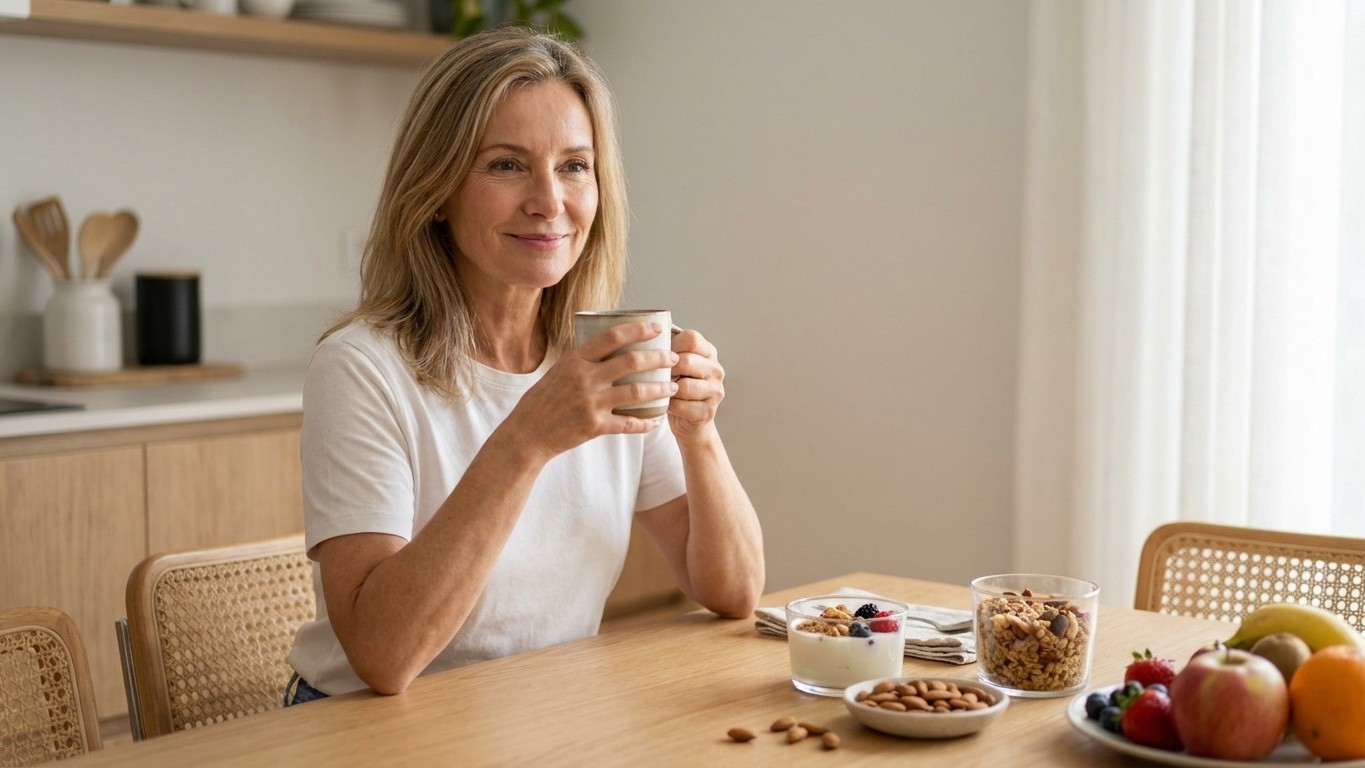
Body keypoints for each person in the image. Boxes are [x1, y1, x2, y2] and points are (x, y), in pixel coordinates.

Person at [283, 26, 765, 703]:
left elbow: (734, 591)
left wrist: (698, 433)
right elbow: (382, 658)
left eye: (574, 166)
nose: (549, 201)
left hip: (538, 711)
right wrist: (528, 438)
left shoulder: (606, 356)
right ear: (436, 191)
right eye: (507, 165)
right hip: (365, 724)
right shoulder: (361, 367)